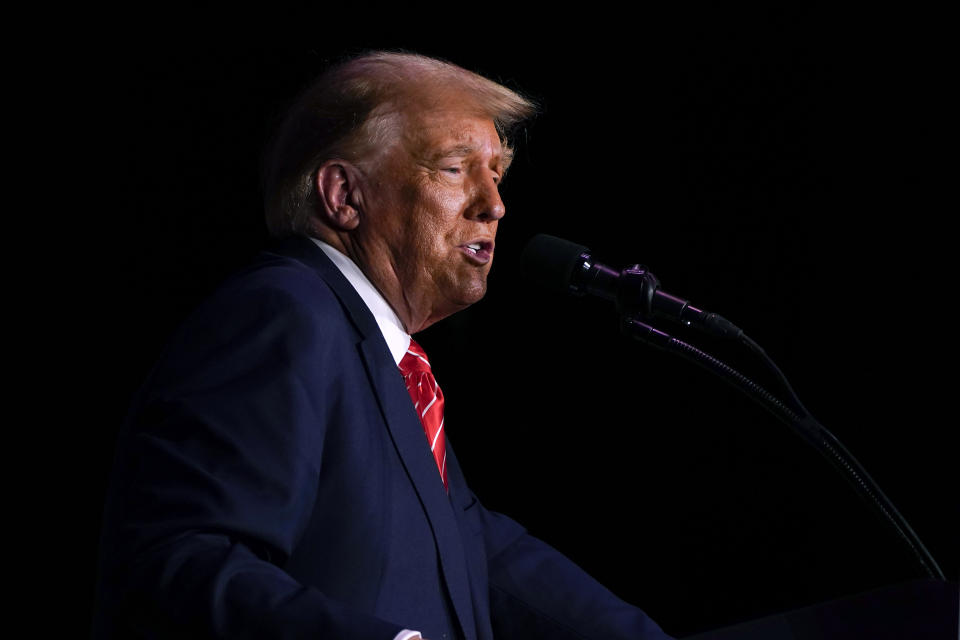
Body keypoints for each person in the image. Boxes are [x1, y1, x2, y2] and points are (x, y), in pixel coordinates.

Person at [92, 51, 672, 639]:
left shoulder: (386, 364)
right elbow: (177, 563)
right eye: (454, 168)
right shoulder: (283, 309)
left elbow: (486, 558)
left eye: (497, 173)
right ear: (344, 195)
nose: (494, 205)